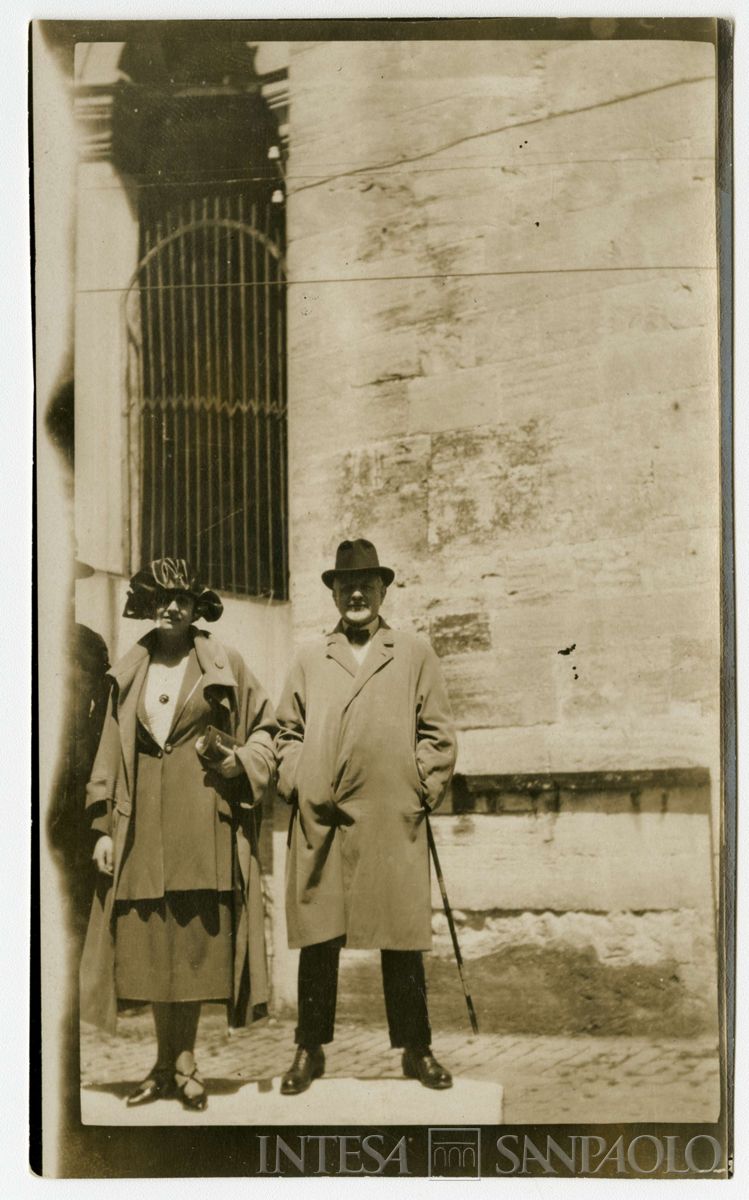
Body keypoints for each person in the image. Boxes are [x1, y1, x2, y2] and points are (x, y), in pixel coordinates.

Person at [79, 558, 277, 1111]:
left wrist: (245, 762)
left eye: (183, 600)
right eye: (162, 598)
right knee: (152, 945)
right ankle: (162, 1065)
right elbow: (107, 750)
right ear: (146, 604)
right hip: (140, 824)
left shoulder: (225, 664)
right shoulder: (128, 671)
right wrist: (102, 828)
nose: (173, 607)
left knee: (192, 947)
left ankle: (185, 1063)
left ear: (196, 608)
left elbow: (268, 728)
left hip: (202, 820)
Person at [275, 538, 458, 1094]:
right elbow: (287, 732)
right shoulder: (311, 658)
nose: (356, 593)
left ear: (383, 590)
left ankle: (416, 1047)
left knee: (400, 935)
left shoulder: (413, 652)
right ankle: (310, 1048)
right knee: (319, 934)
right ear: (333, 592)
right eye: (345, 585)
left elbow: (439, 733)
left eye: (366, 584)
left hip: (389, 814)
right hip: (322, 818)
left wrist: (418, 789)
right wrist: (298, 779)